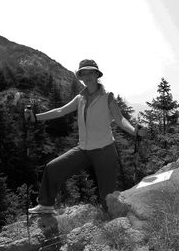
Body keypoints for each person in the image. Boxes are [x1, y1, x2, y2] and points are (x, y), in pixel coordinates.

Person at [25, 59, 142, 214]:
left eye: (90, 72)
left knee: (107, 199)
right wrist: (35, 117)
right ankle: (46, 205)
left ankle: (110, 223)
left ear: (96, 74)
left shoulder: (107, 97)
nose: (87, 76)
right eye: (83, 73)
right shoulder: (80, 98)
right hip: (84, 149)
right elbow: (61, 111)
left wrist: (135, 131)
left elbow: (120, 119)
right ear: (80, 76)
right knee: (53, 168)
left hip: (105, 150)